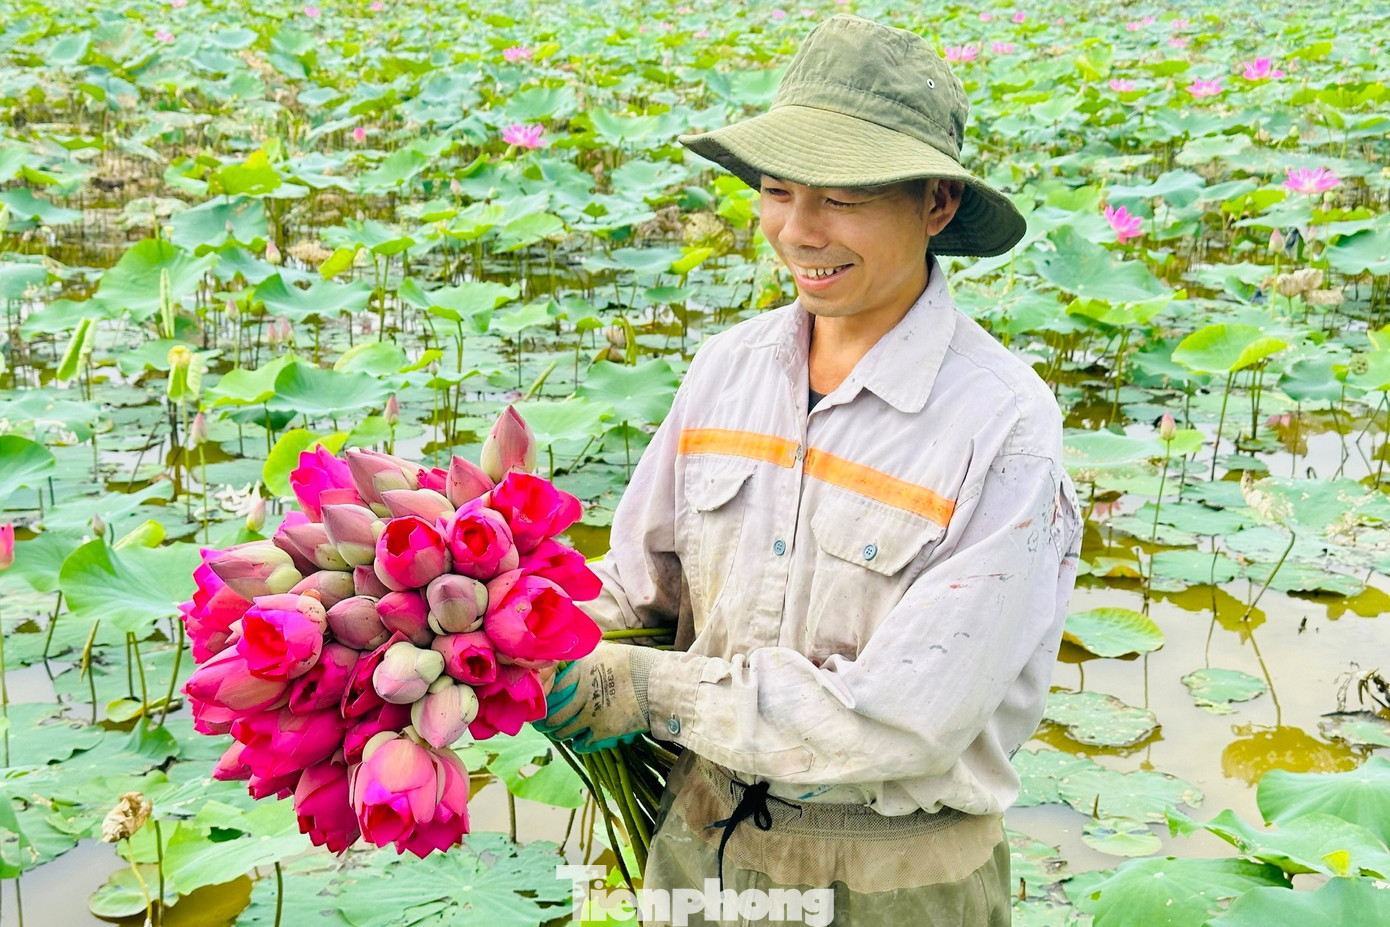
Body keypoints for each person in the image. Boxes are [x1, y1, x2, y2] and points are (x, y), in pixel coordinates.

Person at [540, 14, 1081, 926]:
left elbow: (906, 717)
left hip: (893, 882)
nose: (799, 230)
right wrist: (492, 616)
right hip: (697, 848)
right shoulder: (728, 369)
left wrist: (643, 690)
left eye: (844, 198)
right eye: (779, 190)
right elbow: (641, 585)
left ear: (938, 204)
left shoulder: (1002, 422)